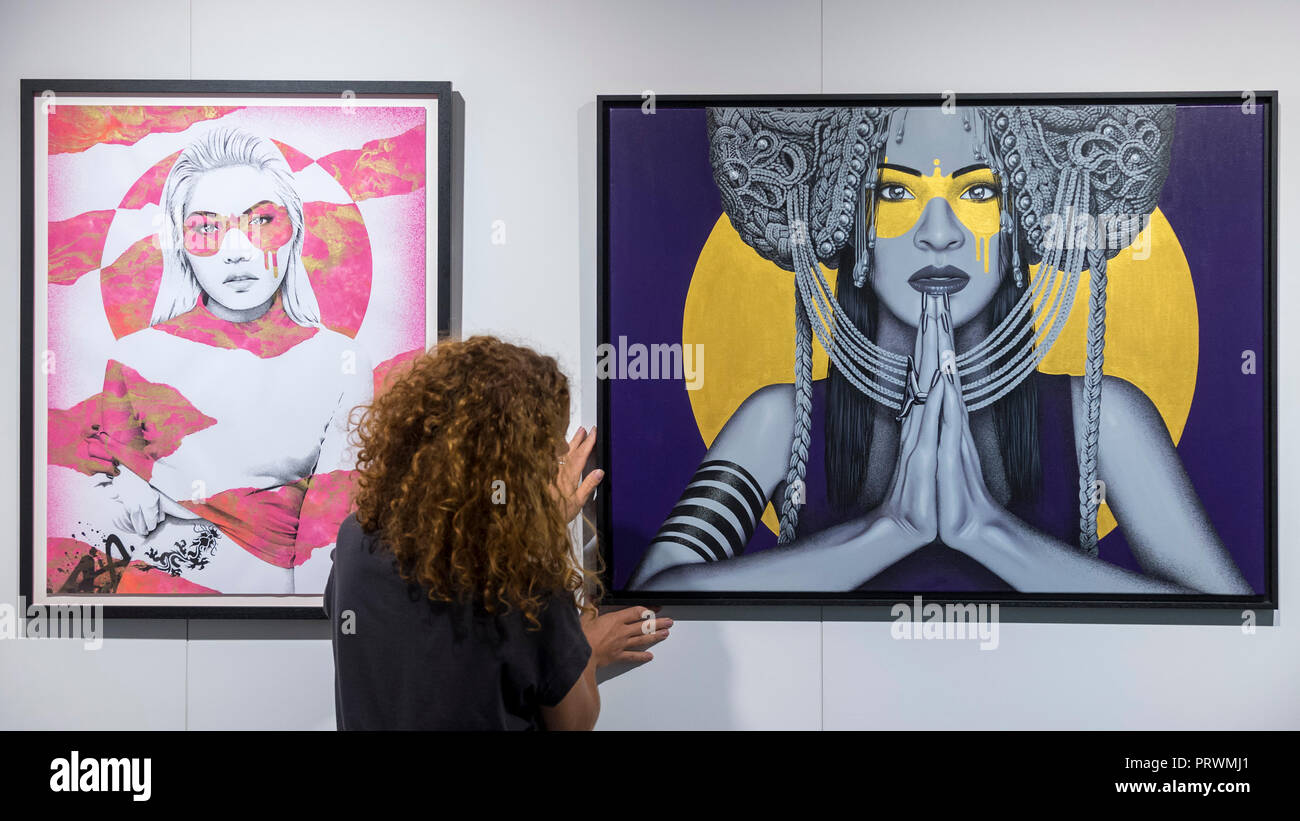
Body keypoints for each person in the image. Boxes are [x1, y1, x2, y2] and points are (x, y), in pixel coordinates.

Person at [628, 105, 1252, 595]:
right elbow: (653, 599)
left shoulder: (1103, 418)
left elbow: (1225, 617)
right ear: (850, 221)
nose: (938, 234)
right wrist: (887, 532)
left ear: (1020, 218)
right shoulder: (780, 421)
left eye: (977, 192)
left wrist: (989, 533)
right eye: (894, 193)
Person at [52, 125, 371, 595]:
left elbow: (330, 536)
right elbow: (101, 497)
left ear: (295, 231)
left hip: (284, 606)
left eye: (261, 221)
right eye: (206, 227)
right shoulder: (133, 357)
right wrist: (122, 487)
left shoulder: (341, 362)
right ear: (181, 242)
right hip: (145, 600)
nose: (236, 251)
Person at [325, 336, 670, 730]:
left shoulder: (356, 539)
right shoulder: (524, 572)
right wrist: (587, 650)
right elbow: (574, 723)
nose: (562, 450)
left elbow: (425, 658)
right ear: (514, 455)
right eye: (549, 439)